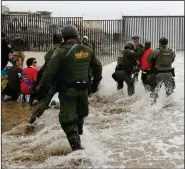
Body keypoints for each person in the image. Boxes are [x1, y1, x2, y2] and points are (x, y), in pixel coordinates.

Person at [34, 24, 102, 151]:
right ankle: (81, 138)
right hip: (84, 91)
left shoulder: (60, 52)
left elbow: (48, 74)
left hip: (68, 92)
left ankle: (78, 151)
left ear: (64, 38)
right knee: (80, 115)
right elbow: (98, 67)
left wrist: (39, 91)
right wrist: (94, 85)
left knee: (67, 121)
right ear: (77, 37)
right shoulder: (88, 50)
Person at [30, 33, 63, 106]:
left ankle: (37, 98)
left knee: (42, 82)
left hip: (46, 68)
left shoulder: (51, 49)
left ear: (53, 41)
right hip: (55, 70)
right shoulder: (61, 49)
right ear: (61, 41)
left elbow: (46, 57)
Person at [147, 37, 176, 103]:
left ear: (159, 43)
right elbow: (172, 60)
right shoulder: (171, 51)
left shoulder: (157, 50)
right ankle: (168, 106)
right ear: (167, 43)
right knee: (169, 91)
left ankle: (154, 106)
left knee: (155, 91)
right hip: (169, 73)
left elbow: (149, 58)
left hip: (159, 74)